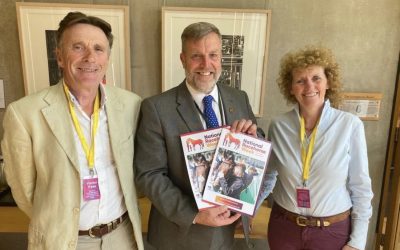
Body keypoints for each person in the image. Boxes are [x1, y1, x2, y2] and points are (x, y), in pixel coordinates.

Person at [2, 12, 144, 250]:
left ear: (107, 58)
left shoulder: (131, 104)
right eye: (78, 47)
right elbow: (24, 192)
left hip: (122, 236)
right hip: (65, 240)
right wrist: (58, 219)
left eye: (98, 49)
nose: (90, 57)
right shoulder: (24, 113)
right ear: (59, 56)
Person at [134, 22, 263, 249]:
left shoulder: (239, 97)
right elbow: (149, 174)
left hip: (228, 230)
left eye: (213, 55)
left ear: (221, 57)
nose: (206, 64)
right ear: (183, 59)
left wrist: (254, 137)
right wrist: (194, 214)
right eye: (197, 56)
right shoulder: (156, 107)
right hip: (180, 235)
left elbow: (257, 143)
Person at [261, 46, 373, 250]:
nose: (309, 86)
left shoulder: (349, 125)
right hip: (284, 228)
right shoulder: (278, 125)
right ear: (291, 88)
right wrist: (244, 209)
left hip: (331, 232)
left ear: (328, 82)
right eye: (300, 81)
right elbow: (268, 176)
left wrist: (357, 242)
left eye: (316, 78)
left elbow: (361, 187)